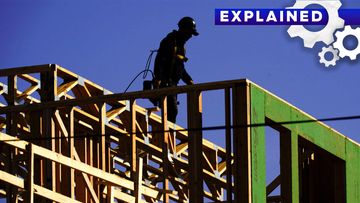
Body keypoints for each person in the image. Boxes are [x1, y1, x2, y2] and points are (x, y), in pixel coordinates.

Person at [153, 16, 199, 123]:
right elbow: (159, 60)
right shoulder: (170, 42)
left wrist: (189, 80)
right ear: (183, 29)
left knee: (173, 111)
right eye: (189, 32)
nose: (190, 36)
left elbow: (180, 68)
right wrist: (158, 79)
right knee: (172, 110)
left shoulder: (181, 46)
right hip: (166, 81)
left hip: (173, 83)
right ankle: (167, 136)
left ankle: (168, 135)